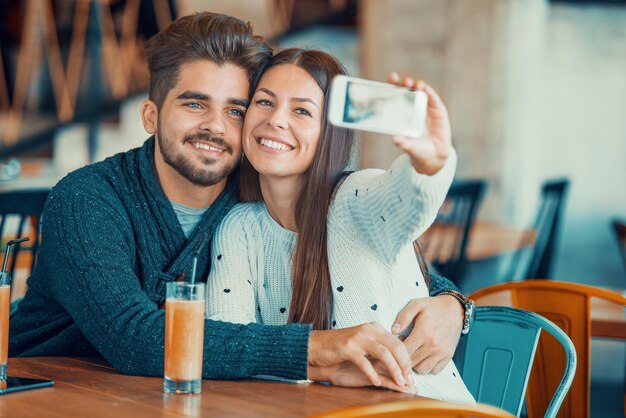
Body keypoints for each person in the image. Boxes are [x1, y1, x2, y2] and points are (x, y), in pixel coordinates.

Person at [9, 12, 468, 388]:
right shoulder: (87, 200)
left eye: (236, 109)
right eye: (194, 104)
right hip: (53, 394)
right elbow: (137, 339)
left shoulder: (250, 194)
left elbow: (382, 256)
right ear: (150, 115)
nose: (216, 127)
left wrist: (453, 307)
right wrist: (320, 349)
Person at [205, 48, 475, 403]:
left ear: (330, 132)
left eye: (301, 110)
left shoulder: (355, 199)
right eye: (265, 102)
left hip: (424, 407)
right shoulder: (239, 229)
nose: (277, 120)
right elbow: (227, 346)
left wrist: (432, 163)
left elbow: (408, 198)